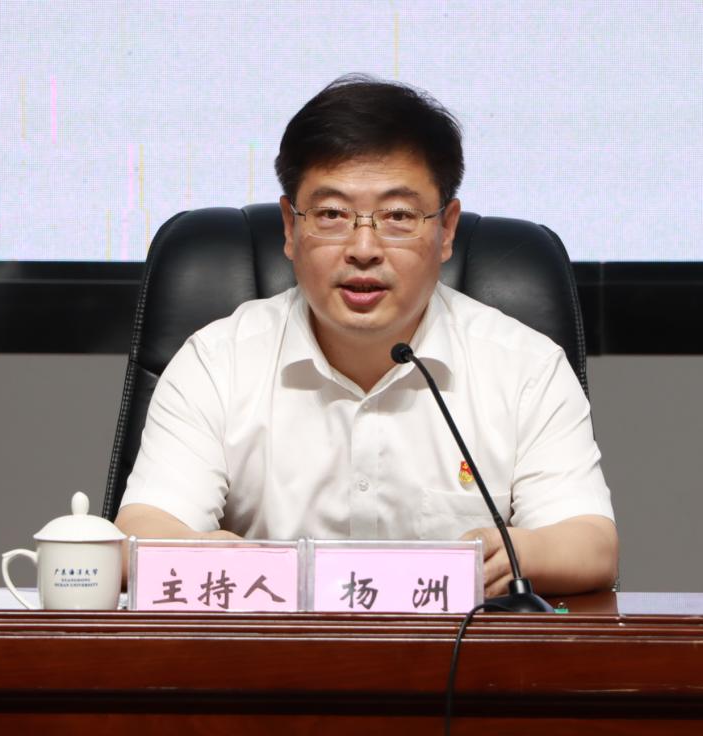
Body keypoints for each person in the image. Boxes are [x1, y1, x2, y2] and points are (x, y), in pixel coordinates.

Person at [115, 75, 618, 596]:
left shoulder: (524, 366)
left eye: (398, 216)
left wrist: (516, 554)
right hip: (269, 645)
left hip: (458, 647)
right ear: (290, 227)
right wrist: (204, 554)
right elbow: (141, 531)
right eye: (332, 214)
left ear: (446, 229)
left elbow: (590, 542)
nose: (363, 249)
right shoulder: (217, 361)